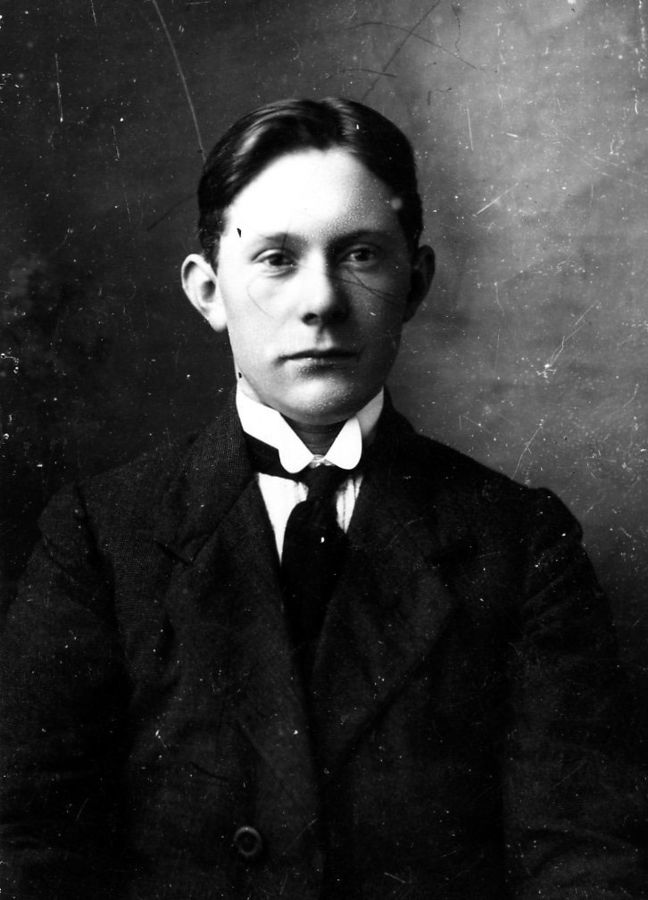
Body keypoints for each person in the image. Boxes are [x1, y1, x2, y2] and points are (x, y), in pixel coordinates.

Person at [0, 97, 644, 899]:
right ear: (207, 290)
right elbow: (29, 844)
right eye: (276, 258)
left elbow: (582, 857)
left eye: (361, 254)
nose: (322, 302)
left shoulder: (518, 543)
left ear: (415, 282)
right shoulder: (100, 539)